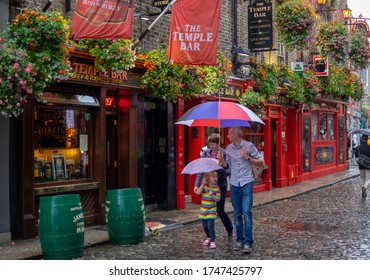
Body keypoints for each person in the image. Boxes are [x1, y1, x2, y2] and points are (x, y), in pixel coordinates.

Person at [218, 126, 264, 254]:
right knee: (237, 214)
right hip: (234, 183)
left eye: (229, 134)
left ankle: (248, 242)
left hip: (247, 182)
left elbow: (261, 162)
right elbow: (228, 170)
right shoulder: (228, 148)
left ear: (236, 134)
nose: (227, 136)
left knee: (246, 212)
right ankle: (239, 239)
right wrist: (222, 162)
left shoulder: (248, 146)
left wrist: (247, 157)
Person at [194, 133, 234, 237]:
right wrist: (196, 184)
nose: (211, 146)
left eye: (213, 144)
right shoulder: (205, 153)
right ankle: (210, 235)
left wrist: (220, 162)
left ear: (218, 144)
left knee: (220, 210)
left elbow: (228, 173)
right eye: (210, 144)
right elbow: (201, 170)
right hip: (207, 185)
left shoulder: (224, 153)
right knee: (207, 208)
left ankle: (229, 228)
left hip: (220, 185)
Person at [194, 171, 220, 249]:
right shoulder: (205, 187)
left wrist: (212, 195)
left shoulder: (216, 188)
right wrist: (202, 184)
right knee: (205, 226)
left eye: (216, 176)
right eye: (213, 177)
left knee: (210, 225)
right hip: (203, 210)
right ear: (208, 178)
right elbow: (198, 192)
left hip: (211, 209)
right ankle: (208, 237)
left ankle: (212, 240)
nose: (215, 178)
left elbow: (218, 199)